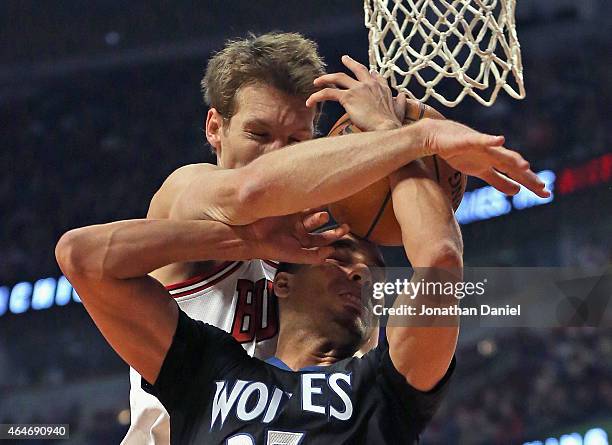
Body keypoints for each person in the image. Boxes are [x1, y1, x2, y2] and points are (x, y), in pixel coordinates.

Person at [117, 31, 548, 443]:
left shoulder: (334, 240)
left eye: (297, 141)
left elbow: (438, 262)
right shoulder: (189, 192)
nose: (277, 154)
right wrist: (413, 138)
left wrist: (394, 139)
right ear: (215, 128)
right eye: (259, 134)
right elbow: (251, 188)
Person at [56, 214, 461, 443]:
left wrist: (407, 142)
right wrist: (246, 241)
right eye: (338, 259)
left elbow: (441, 259)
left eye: (373, 274)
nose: (359, 275)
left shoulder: (383, 390)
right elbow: (81, 258)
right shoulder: (210, 369)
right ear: (282, 283)